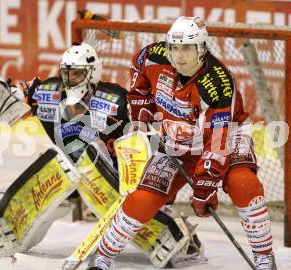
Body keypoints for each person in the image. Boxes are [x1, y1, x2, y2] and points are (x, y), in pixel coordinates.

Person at [0, 42, 207, 268]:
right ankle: (10, 225)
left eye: (77, 74)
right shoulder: (48, 93)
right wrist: (1, 95)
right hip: (69, 174)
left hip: (113, 180)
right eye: (66, 73)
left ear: (92, 73)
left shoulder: (116, 101)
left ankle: (172, 233)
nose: (69, 80)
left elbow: (146, 133)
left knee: (88, 161)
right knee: (57, 163)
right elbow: (20, 92)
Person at [86, 16, 276, 270]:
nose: (179, 56)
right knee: (143, 198)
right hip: (176, 139)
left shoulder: (217, 83)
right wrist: (141, 104)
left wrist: (205, 183)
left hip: (228, 137)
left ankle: (264, 258)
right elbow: (138, 67)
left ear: (202, 48)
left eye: (186, 49)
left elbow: (217, 142)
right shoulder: (154, 56)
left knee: (243, 184)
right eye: (174, 48)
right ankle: (103, 257)